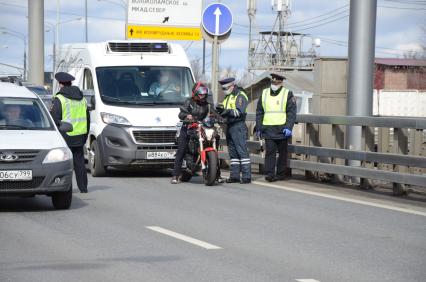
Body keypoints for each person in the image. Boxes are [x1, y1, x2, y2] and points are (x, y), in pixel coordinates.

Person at [171, 82, 222, 184]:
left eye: (204, 93)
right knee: (181, 149)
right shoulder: (189, 102)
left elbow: (214, 113)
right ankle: (175, 175)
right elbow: (181, 113)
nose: (202, 95)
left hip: (202, 127)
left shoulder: (207, 104)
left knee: (215, 138)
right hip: (188, 127)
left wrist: (220, 118)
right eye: (200, 93)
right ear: (195, 93)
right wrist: (187, 116)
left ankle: (217, 175)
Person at [51, 72, 90, 193]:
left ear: (60, 84)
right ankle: (83, 188)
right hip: (80, 136)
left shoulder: (60, 99)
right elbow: (87, 119)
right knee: (79, 163)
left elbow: (55, 119)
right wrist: (85, 136)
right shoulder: (82, 99)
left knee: (63, 163)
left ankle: (64, 188)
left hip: (65, 136)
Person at [255, 73, 297, 182]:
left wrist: (288, 127)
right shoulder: (264, 93)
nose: (274, 84)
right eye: (272, 82)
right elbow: (259, 112)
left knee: (282, 153)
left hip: (282, 129)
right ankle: (269, 174)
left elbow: (292, 112)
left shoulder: (287, 94)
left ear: (281, 83)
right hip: (268, 129)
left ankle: (280, 174)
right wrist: (259, 127)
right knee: (270, 152)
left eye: (276, 82)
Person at [216, 77, 251, 184]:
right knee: (233, 153)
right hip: (230, 126)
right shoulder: (228, 97)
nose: (224, 90)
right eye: (223, 88)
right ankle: (234, 176)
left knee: (242, 151)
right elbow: (226, 112)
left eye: (226, 87)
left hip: (238, 126)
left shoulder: (240, 95)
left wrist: (226, 111)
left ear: (232, 85)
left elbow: (239, 112)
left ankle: (246, 176)